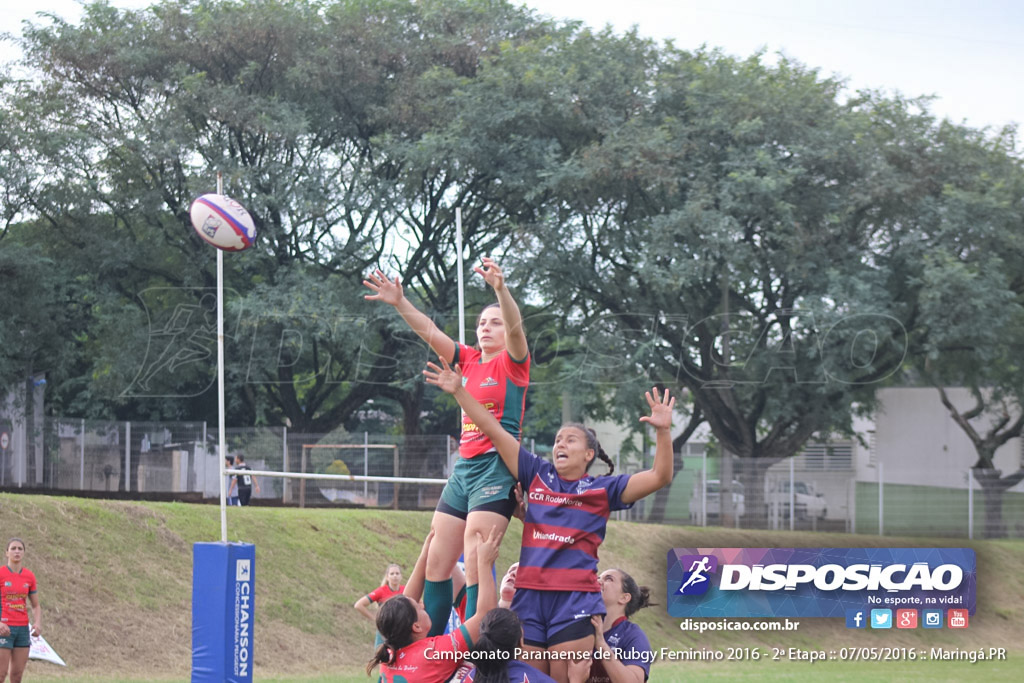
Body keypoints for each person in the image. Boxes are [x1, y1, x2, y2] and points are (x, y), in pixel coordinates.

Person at [425, 358, 675, 683]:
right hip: (529, 596)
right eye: (558, 439)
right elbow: (492, 428)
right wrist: (459, 391)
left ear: (589, 454)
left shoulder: (603, 488)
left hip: (575, 599)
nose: (560, 444)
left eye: (571, 440)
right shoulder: (536, 474)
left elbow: (660, 476)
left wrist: (664, 431)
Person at [365, 258, 530, 635]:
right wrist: (399, 302)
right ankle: (427, 656)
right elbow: (431, 331)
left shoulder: (513, 363)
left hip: (496, 468)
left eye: (495, 322)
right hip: (465, 470)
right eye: (481, 323)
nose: (486, 327)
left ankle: (472, 660)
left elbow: (517, 330)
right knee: (437, 561)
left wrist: (500, 290)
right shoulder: (468, 359)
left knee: (475, 560)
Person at [366, 526, 502, 683]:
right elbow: (485, 616)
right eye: (419, 607)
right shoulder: (434, 653)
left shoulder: (388, 653)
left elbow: (403, 604)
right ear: (416, 627)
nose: (423, 605)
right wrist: (485, 563)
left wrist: (425, 557)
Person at [585, 569, 655, 683]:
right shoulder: (580, 626)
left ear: (624, 598)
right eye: (598, 578)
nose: (598, 581)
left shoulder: (633, 636)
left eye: (608, 579)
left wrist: (600, 644)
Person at [0, 538, 41, 683]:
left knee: (17, 675)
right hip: (4, 629)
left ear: (23, 553)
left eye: (20, 549)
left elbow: (35, 605)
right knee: (1, 673)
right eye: (13, 548)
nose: (16, 551)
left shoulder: (29, 576)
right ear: (6, 553)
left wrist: (37, 623)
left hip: (22, 629)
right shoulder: (1, 573)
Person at [355, 563, 406, 650]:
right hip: (384, 631)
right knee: (383, 657)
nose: (395, 576)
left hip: (401, 630)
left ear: (401, 576)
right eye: (392, 574)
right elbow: (359, 605)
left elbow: (419, 604)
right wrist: (375, 619)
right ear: (387, 577)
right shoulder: (381, 591)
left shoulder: (405, 590)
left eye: (397, 573)